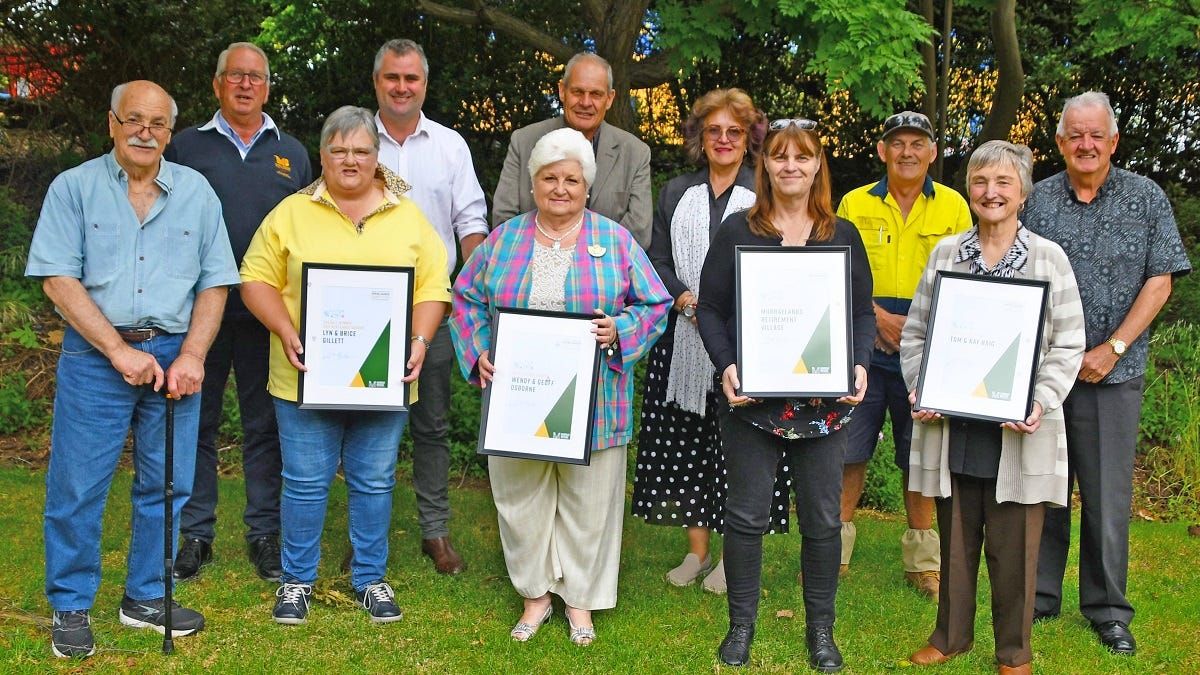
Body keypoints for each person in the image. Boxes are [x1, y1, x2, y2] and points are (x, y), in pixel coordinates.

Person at [26, 80, 240, 658]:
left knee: (168, 485)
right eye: (134, 120)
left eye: (159, 124)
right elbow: (56, 278)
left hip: (174, 357)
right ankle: (71, 605)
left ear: (171, 132)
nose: (146, 132)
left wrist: (193, 355)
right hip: (98, 356)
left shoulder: (197, 192)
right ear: (112, 124)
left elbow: (215, 281)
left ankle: (144, 596)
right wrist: (117, 351)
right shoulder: (73, 188)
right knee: (77, 486)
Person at [451, 127, 670, 645]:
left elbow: (656, 305)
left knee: (590, 504)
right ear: (533, 183)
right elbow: (465, 299)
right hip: (516, 399)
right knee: (519, 499)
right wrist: (479, 352)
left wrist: (621, 329)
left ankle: (580, 602)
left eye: (572, 179)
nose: (560, 187)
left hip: (595, 402)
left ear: (587, 187)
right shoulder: (504, 240)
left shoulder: (614, 240)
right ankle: (534, 595)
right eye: (550, 177)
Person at [239, 106, 451, 625]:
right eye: (339, 150)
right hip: (305, 374)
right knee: (305, 482)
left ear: (377, 157)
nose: (349, 160)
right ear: (323, 156)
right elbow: (255, 280)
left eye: (360, 150)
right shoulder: (290, 213)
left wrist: (421, 339)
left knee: (376, 481)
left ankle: (371, 579)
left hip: (385, 377)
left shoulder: (407, 216)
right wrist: (286, 330)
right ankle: (297, 581)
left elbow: (433, 287)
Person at [901, 141, 1086, 675]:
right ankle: (950, 636)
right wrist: (922, 386)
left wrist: (1040, 400)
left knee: (1015, 552)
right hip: (953, 424)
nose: (991, 193)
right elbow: (916, 334)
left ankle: (1014, 653)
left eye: (1004, 183)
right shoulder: (945, 254)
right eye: (981, 181)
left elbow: (1069, 344)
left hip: (1017, 428)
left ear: (1023, 191)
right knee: (956, 539)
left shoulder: (1049, 258)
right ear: (969, 189)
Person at [697, 118, 874, 670]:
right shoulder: (737, 231)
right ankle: (741, 627)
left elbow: (862, 312)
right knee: (746, 516)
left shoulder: (841, 234)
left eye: (802, 157)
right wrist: (726, 364)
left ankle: (821, 630)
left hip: (823, 406)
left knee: (822, 520)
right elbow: (710, 308)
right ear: (765, 164)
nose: (790, 166)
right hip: (753, 403)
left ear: (818, 164)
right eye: (779, 156)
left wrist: (860, 364)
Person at [1025, 91, 1191, 654]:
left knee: (1105, 495)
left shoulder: (1146, 197)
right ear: (1060, 142)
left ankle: (1108, 609)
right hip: (1045, 373)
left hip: (1111, 375)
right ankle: (1040, 597)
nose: (1086, 144)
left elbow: (1161, 279)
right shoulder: (1037, 200)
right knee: (1044, 488)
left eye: (1097, 135)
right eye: (1076, 135)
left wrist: (1113, 348)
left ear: (1114, 141)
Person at [165, 41, 313, 583]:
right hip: (197, 311)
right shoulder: (185, 147)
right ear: (218, 84)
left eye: (256, 77)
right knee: (195, 422)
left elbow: (308, 232)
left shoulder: (293, 153)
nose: (246, 85)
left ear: (268, 87)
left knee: (265, 425)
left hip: (269, 313)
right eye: (235, 76)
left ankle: (264, 535)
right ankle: (195, 534)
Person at [632, 88, 790, 595]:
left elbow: (776, 264)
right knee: (687, 448)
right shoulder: (676, 191)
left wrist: (724, 313)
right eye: (713, 131)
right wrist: (684, 300)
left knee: (738, 450)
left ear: (750, 140)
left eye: (734, 132)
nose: (723, 140)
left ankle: (730, 557)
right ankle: (695, 552)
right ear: (699, 137)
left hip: (744, 347)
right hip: (681, 340)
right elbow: (655, 258)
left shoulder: (763, 192)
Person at [835, 111, 972, 598]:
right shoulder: (854, 203)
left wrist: (911, 328)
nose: (908, 152)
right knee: (849, 451)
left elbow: (962, 278)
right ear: (882, 151)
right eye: (898, 144)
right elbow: (837, 270)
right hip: (864, 337)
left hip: (928, 341)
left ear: (933, 152)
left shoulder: (954, 206)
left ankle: (922, 565)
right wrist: (873, 318)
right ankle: (835, 556)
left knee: (921, 455)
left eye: (918, 144)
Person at [371, 38, 488, 575]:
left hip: (432, 309)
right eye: (393, 78)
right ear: (378, 82)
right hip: (365, 311)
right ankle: (366, 531)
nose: (402, 87)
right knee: (367, 423)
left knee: (432, 426)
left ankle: (435, 532)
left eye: (411, 79)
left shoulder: (449, 146)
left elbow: (470, 224)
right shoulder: (353, 140)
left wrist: (470, 295)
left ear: (424, 83)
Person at [492, 52, 652, 248]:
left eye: (596, 94)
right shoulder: (524, 141)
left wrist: (582, 258)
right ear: (562, 91)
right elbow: (504, 219)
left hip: (606, 272)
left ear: (609, 99)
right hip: (532, 264)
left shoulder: (635, 153)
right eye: (577, 92)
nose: (585, 102)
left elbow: (639, 230)